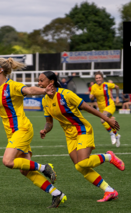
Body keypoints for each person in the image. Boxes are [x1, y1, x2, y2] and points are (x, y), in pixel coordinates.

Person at [0, 58, 67, 208]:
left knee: (8, 162)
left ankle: (44, 168)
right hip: (12, 133)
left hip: (22, 129)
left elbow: (29, 90)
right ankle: (57, 194)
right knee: (25, 170)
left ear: (0, 70)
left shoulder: (12, 86)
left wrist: (44, 90)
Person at [38, 71, 124, 202]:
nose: (39, 83)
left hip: (82, 129)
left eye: (41, 80)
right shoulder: (44, 100)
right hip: (69, 135)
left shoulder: (66, 94)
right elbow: (49, 122)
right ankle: (109, 191)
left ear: (51, 82)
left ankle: (109, 156)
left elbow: (87, 107)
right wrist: (45, 130)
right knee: (79, 167)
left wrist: (107, 119)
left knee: (83, 162)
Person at [90, 72, 121, 147]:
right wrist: (91, 97)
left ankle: (112, 134)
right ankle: (117, 135)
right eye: (97, 78)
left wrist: (117, 97)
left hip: (110, 105)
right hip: (102, 109)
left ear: (102, 78)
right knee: (109, 123)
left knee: (102, 120)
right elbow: (91, 96)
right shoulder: (93, 87)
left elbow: (117, 87)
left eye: (99, 77)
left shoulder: (107, 85)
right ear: (95, 79)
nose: (98, 79)